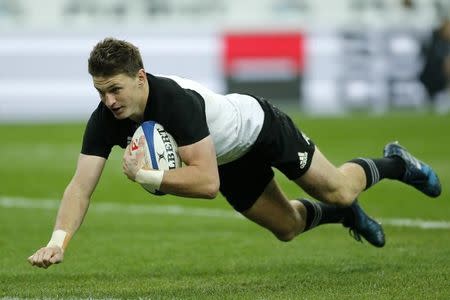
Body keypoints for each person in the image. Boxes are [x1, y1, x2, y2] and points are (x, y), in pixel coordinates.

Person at [28, 38, 441, 269]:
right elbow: (80, 187)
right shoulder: (104, 119)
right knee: (288, 228)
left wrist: (146, 176)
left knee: (338, 189)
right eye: (100, 91)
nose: (109, 100)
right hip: (229, 158)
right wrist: (58, 241)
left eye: (115, 89)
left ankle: (396, 162)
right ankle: (346, 217)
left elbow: (207, 184)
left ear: (139, 78)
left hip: (260, 128)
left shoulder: (174, 102)